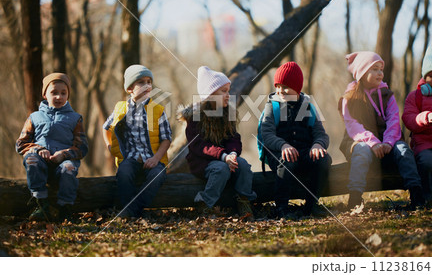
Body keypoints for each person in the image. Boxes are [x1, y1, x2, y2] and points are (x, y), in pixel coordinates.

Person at [338, 51, 425, 210]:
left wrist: (388, 142)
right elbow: (352, 125)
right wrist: (373, 142)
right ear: (363, 73)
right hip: (359, 141)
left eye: (381, 69)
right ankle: (355, 197)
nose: (380, 73)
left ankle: (416, 193)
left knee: (404, 150)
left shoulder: (387, 95)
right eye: (374, 69)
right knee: (362, 151)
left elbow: (393, 120)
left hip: (387, 143)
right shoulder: (350, 98)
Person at [179, 66, 256, 219]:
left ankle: (243, 200)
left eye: (228, 90)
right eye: (223, 91)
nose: (228, 95)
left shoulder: (227, 113)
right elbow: (199, 146)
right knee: (221, 169)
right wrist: (223, 156)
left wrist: (232, 154)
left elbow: (233, 137)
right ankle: (205, 203)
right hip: (203, 161)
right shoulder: (195, 117)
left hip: (225, 157)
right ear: (210, 95)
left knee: (244, 166)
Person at [260, 61, 331, 218]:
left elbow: (321, 133)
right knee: (287, 161)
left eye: (285, 86)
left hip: (304, 151)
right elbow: (267, 134)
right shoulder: (272, 107)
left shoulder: (308, 108)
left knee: (324, 159)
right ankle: (281, 208)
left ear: (297, 88)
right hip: (278, 153)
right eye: (277, 86)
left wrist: (318, 145)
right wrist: (283, 145)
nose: (280, 90)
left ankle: (311, 205)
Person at [16, 73, 88, 221]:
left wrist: (64, 154)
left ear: (68, 95)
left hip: (63, 162)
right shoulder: (34, 117)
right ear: (45, 94)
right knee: (32, 160)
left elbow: (82, 148)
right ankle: (41, 204)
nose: (58, 97)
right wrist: (38, 149)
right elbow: (21, 144)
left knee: (68, 169)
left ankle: (64, 209)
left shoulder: (75, 118)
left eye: (63, 93)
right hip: (40, 160)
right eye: (54, 92)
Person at [103, 64, 171, 218]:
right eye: (141, 82)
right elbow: (106, 127)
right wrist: (109, 147)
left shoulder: (157, 110)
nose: (147, 85)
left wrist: (156, 159)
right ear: (130, 89)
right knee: (124, 173)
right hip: (130, 157)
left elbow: (166, 139)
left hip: (152, 157)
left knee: (158, 175)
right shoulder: (121, 109)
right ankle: (132, 210)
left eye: (149, 82)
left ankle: (134, 210)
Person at [402, 45, 432, 208]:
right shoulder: (415, 96)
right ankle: (426, 197)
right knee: (427, 162)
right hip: (424, 144)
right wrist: (425, 118)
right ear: (424, 76)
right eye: (431, 76)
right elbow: (408, 118)